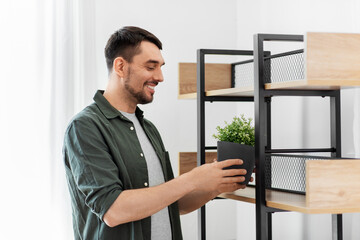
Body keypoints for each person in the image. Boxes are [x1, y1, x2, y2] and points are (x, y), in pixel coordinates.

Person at [63, 26, 248, 240]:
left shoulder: (148, 128)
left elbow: (171, 203)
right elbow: (113, 211)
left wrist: (216, 185)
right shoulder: (85, 127)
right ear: (121, 66)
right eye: (151, 67)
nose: (160, 77)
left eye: (160, 67)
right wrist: (192, 179)